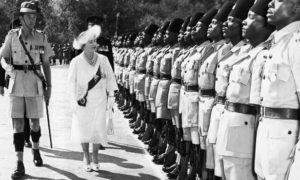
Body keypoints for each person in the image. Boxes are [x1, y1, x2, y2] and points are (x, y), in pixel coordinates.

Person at [0, 1, 54, 179]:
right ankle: (19, 163)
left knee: (35, 123)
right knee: (18, 125)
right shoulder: (12, 36)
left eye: (34, 16)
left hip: (34, 83)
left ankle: (36, 150)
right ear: (21, 18)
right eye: (29, 16)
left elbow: (46, 63)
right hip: (16, 84)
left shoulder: (42, 37)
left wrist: (49, 86)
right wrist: (7, 69)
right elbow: (3, 57)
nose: (32, 19)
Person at [253, 0, 300, 179]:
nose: (270, 3)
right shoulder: (277, 42)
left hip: (286, 142)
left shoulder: (296, 42)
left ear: (296, 7)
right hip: (268, 134)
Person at [68, 25, 118, 172]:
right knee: (84, 129)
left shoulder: (103, 60)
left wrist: (111, 98)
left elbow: (110, 79)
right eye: (91, 42)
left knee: (98, 130)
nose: (95, 44)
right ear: (83, 45)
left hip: (100, 100)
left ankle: (95, 156)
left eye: (95, 41)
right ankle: (86, 157)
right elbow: (71, 83)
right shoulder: (76, 61)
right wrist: (73, 101)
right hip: (83, 101)